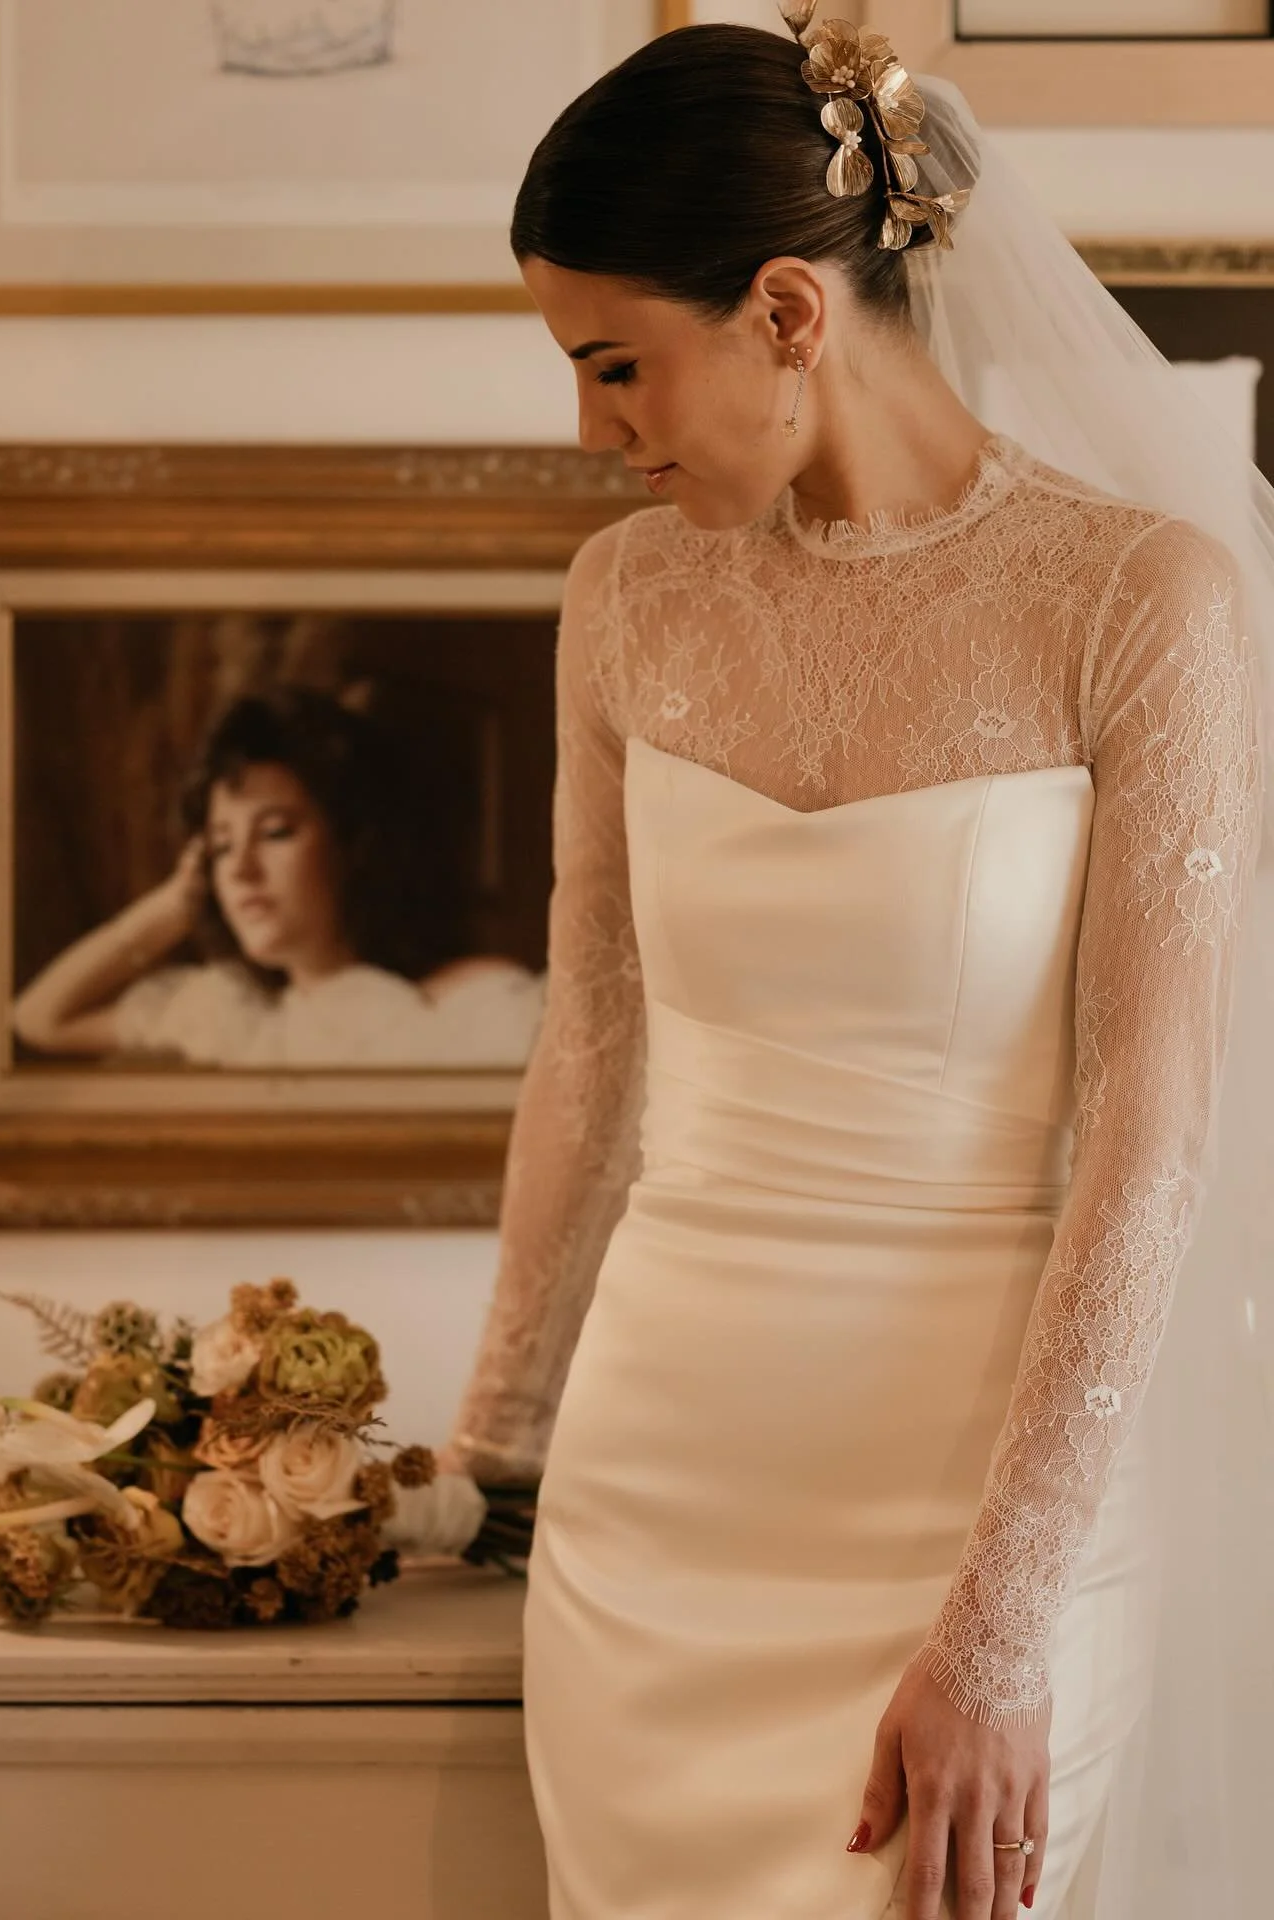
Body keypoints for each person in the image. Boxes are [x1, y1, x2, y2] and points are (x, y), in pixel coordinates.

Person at [437, 11, 1274, 1920]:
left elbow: (1153, 1143)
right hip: (657, 1509)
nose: (593, 431)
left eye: (616, 365)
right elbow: (593, 1035)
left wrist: (999, 1629)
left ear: (791, 315)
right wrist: (484, 1443)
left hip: (981, 1518)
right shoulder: (625, 602)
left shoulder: (1143, 602)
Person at [12, 683, 545, 1070]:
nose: (241, 870)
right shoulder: (228, 1014)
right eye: (221, 846)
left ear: (350, 844)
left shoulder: (467, 1006)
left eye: (276, 833)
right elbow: (39, 1018)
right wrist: (177, 903)